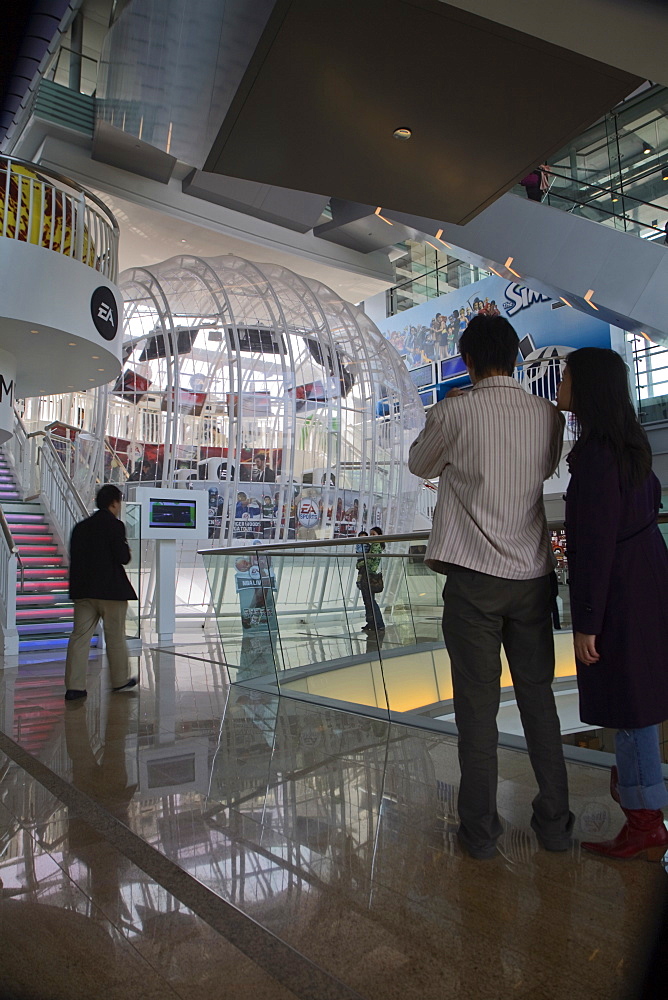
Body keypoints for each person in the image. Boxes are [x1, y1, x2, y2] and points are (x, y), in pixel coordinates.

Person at [409, 313, 573, 859]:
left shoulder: (454, 410)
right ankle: (554, 823)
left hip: (473, 580)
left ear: (469, 361)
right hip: (532, 576)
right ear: (516, 358)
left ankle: (479, 833)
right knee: (539, 700)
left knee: (476, 709)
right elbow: (546, 470)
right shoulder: (547, 415)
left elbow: (418, 463)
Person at [557, 347, 668, 861]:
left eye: (565, 376)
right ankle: (639, 809)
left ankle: (645, 822)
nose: (559, 384)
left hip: (620, 599)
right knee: (638, 704)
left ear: (587, 388)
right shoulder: (631, 447)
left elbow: (596, 545)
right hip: (646, 590)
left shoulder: (599, 457)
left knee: (631, 712)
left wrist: (586, 621)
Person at [64, 484, 138, 701]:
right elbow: (123, 557)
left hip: (83, 591)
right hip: (110, 592)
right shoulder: (115, 526)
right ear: (114, 503)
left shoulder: (80, 528)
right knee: (115, 636)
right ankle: (120, 680)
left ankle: (75, 687)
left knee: (79, 637)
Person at [356, 526, 385, 633]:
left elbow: (370, 561)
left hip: (368, 575)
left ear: (379, 535)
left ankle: (378, 623)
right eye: (371, 534)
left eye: (374, 534)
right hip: (368, 575)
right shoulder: (373, 545)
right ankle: (372, 623)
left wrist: (359, 563)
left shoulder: (376, 545)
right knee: (368, 601)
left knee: (370, 601)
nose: (371, 536)